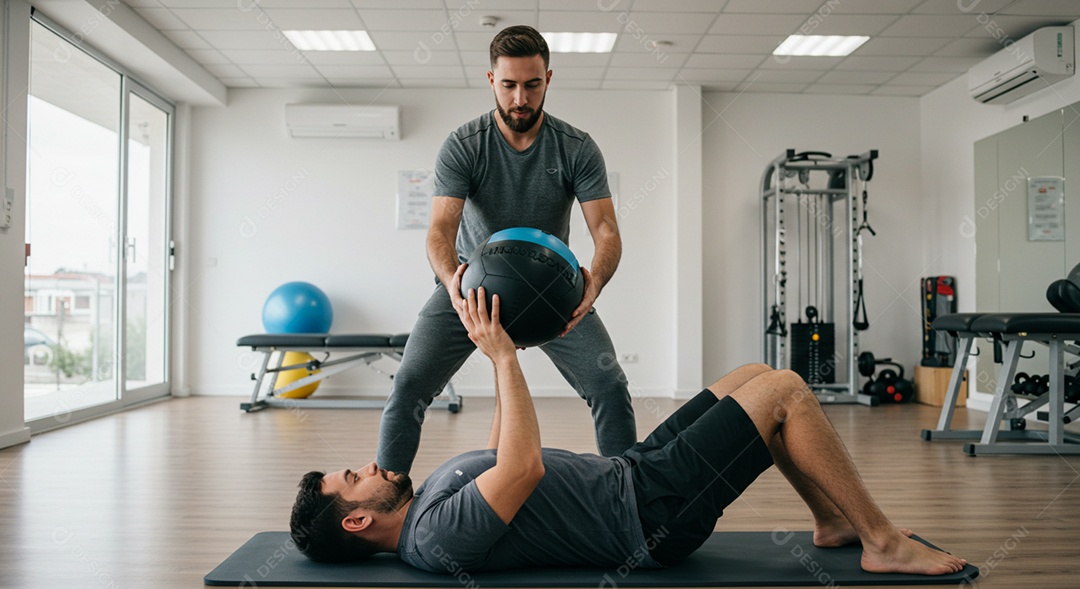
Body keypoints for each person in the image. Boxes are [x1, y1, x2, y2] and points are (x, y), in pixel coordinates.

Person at [290, 285, 967, 576]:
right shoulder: (433, 538)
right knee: (785, 391)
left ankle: (832, 520)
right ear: (356, 520)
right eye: (354, 477)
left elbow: (498, 454)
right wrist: (501, 360)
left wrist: (506, 350)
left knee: (755, 374)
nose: (370, 467)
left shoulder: (423, 508)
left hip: (632, 474)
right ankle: (882, 541)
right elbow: (522, 467)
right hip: (648, 514)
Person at [376, 24, 635, 475]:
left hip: (552, 289)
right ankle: (384, 494)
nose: (520, 98)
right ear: (491, 79)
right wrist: (451, 284)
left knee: (609, 385)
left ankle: (632, 497)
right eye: (509, 84)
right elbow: (440, 230)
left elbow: (606, 230)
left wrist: (593, 284)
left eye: (532, 85)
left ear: (548, 80)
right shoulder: (464, 145)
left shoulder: (576, 147)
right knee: (409, 385)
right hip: (471, 287)